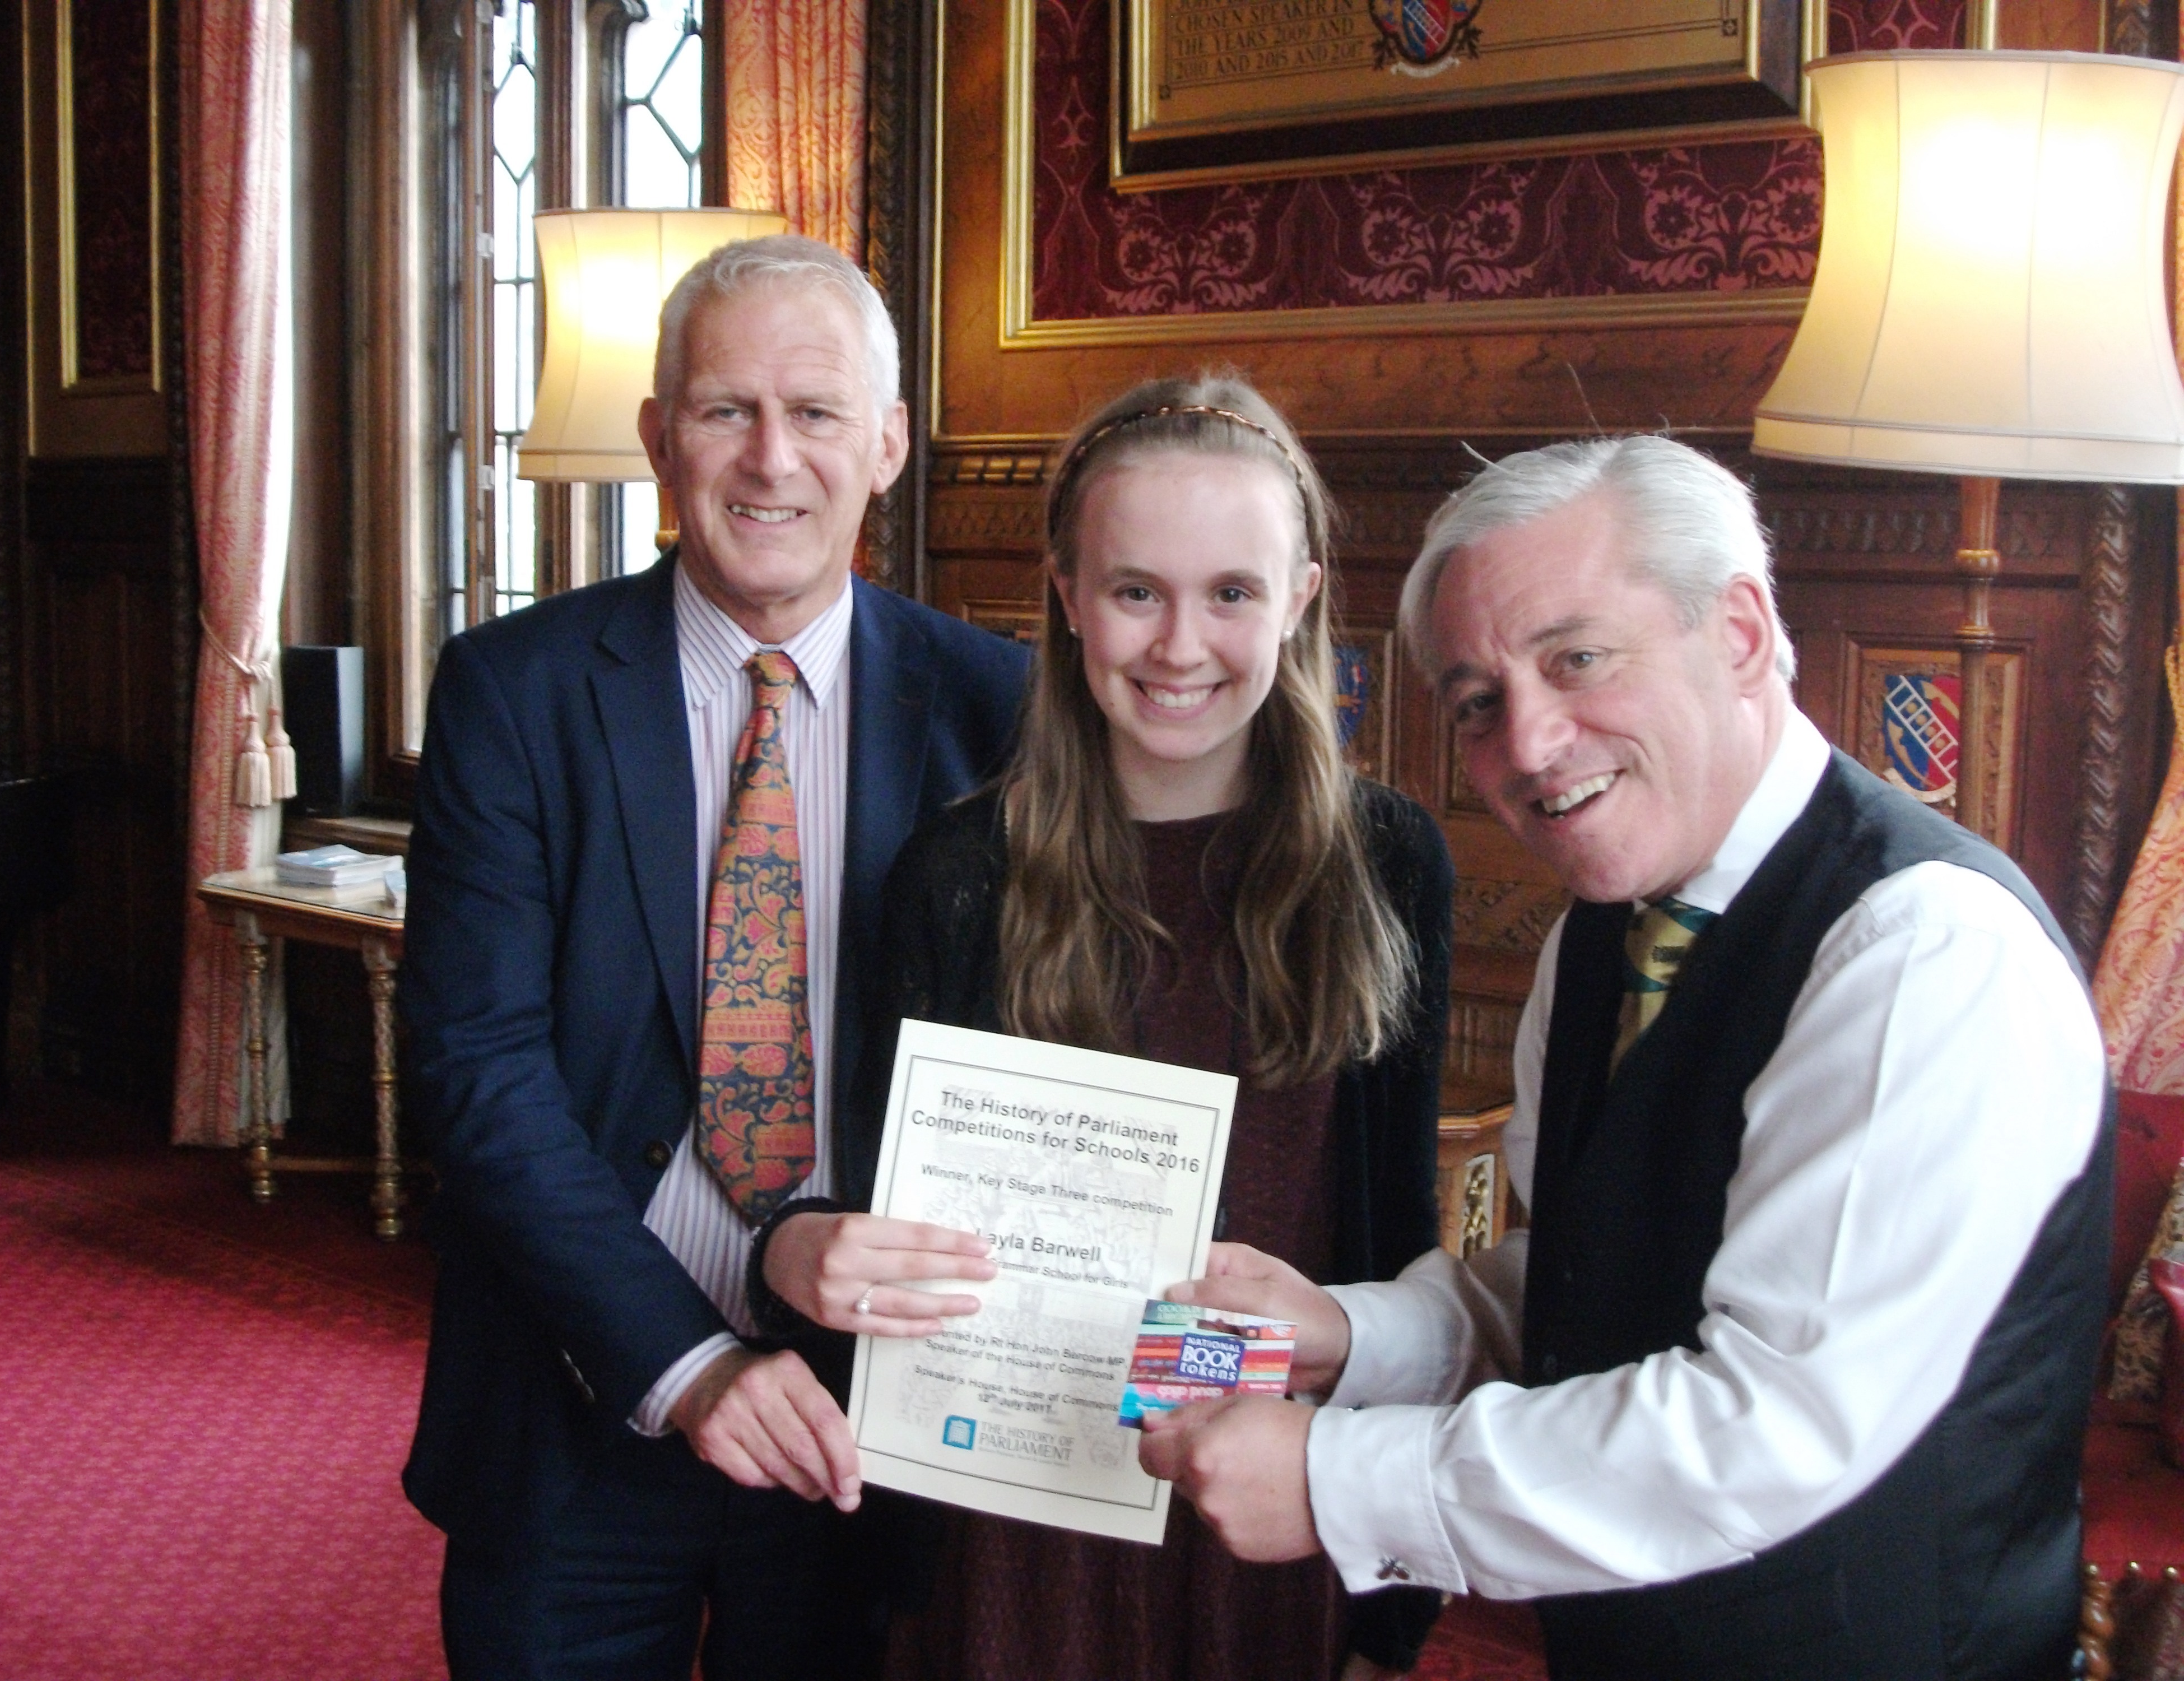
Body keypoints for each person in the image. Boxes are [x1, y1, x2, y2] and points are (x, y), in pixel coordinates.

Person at [1140, 435, 2113, 1681]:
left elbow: (1765, 1427)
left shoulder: (1924, 952)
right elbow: (1588, 1279)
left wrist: (1339, 1479)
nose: (1529, 743)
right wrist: (1348, 1333)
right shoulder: (1604, 932)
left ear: (1740, 633)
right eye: (1477, 702)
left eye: (1577, 659)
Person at [749, 374, 1457, 1681]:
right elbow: (868, 1207)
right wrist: (792, 1255)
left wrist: (1388, 1608)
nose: (1179, 645)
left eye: (1231, 592)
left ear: (1300, 597)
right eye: (1136, 590)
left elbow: (1394, 1233)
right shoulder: (959, 874)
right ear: (1068, 597)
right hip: (1003, 1524)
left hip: (1261, 1501)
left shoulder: (1386, 862)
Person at [397, 234, 1030, 1681]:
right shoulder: (512, 692)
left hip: (867, 1424)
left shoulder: (1001, 712)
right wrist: (685, 1364)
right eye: (723, 410)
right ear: (656, 438)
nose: (770, 459)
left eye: (814, 413)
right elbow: (478, 1072)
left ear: (887, 444)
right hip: (578, 1390)